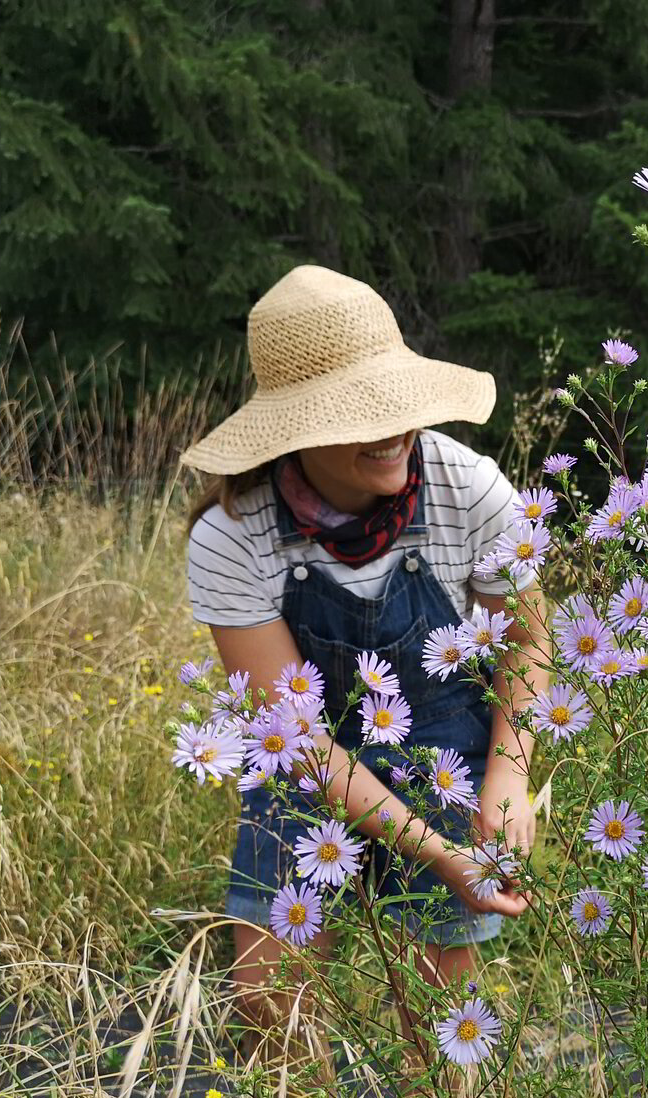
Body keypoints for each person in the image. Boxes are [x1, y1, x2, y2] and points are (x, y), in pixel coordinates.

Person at [180, 265, 544, 1047]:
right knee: (268, 1007)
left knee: (437, 1025)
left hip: (443, 759)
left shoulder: (469, 488)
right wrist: (437, 854)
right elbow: (300, 739)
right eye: (359, 414)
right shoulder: (231, 536)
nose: (393, 431)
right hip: (307, 765)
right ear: (294, 432)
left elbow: (527, 640)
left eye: (396, 405)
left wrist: (507, 774)